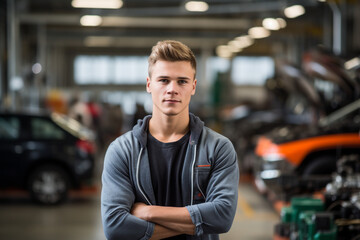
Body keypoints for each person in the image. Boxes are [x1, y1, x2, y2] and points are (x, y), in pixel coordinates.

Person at [101, 40, 239, 240]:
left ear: (193, 86)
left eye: (182, 81)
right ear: (149, 84)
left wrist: (149, 212)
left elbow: (222, 217)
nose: (172, 89)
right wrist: (197, 224)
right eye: (163, 80)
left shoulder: (218, 148)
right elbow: (115, 226)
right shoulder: (122, 150)